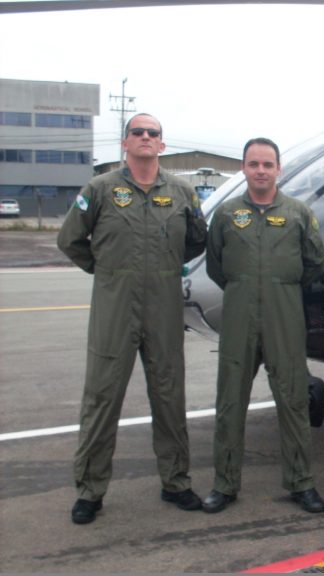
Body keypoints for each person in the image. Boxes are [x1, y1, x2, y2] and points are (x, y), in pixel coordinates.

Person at [57, 113, 208, 525]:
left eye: (152, 133)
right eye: (137, 132)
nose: (145, 137)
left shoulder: (181, 192)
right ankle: (90, 490)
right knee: (102, 398)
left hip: (163, 307)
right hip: (115, 307)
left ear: (162, 144)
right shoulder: (101, 189)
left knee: (169, 395)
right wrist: (107, 273)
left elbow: (197, 240)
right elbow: (70, 239)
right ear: (125, 143)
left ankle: (176, 481)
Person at [203, 137, 324, 514]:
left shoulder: (299, 213)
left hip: (284, 315)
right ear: (243, 168)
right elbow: (216, 265)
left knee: (292, 400)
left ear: (278, 169)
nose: (260, 170)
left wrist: (279, 289)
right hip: (239, 316)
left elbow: (314, 263)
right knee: (230, 401)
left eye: (267, 164)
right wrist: (244, 289)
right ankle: (224, 484)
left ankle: (301, 482)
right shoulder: (226, 215)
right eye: (253, 164)